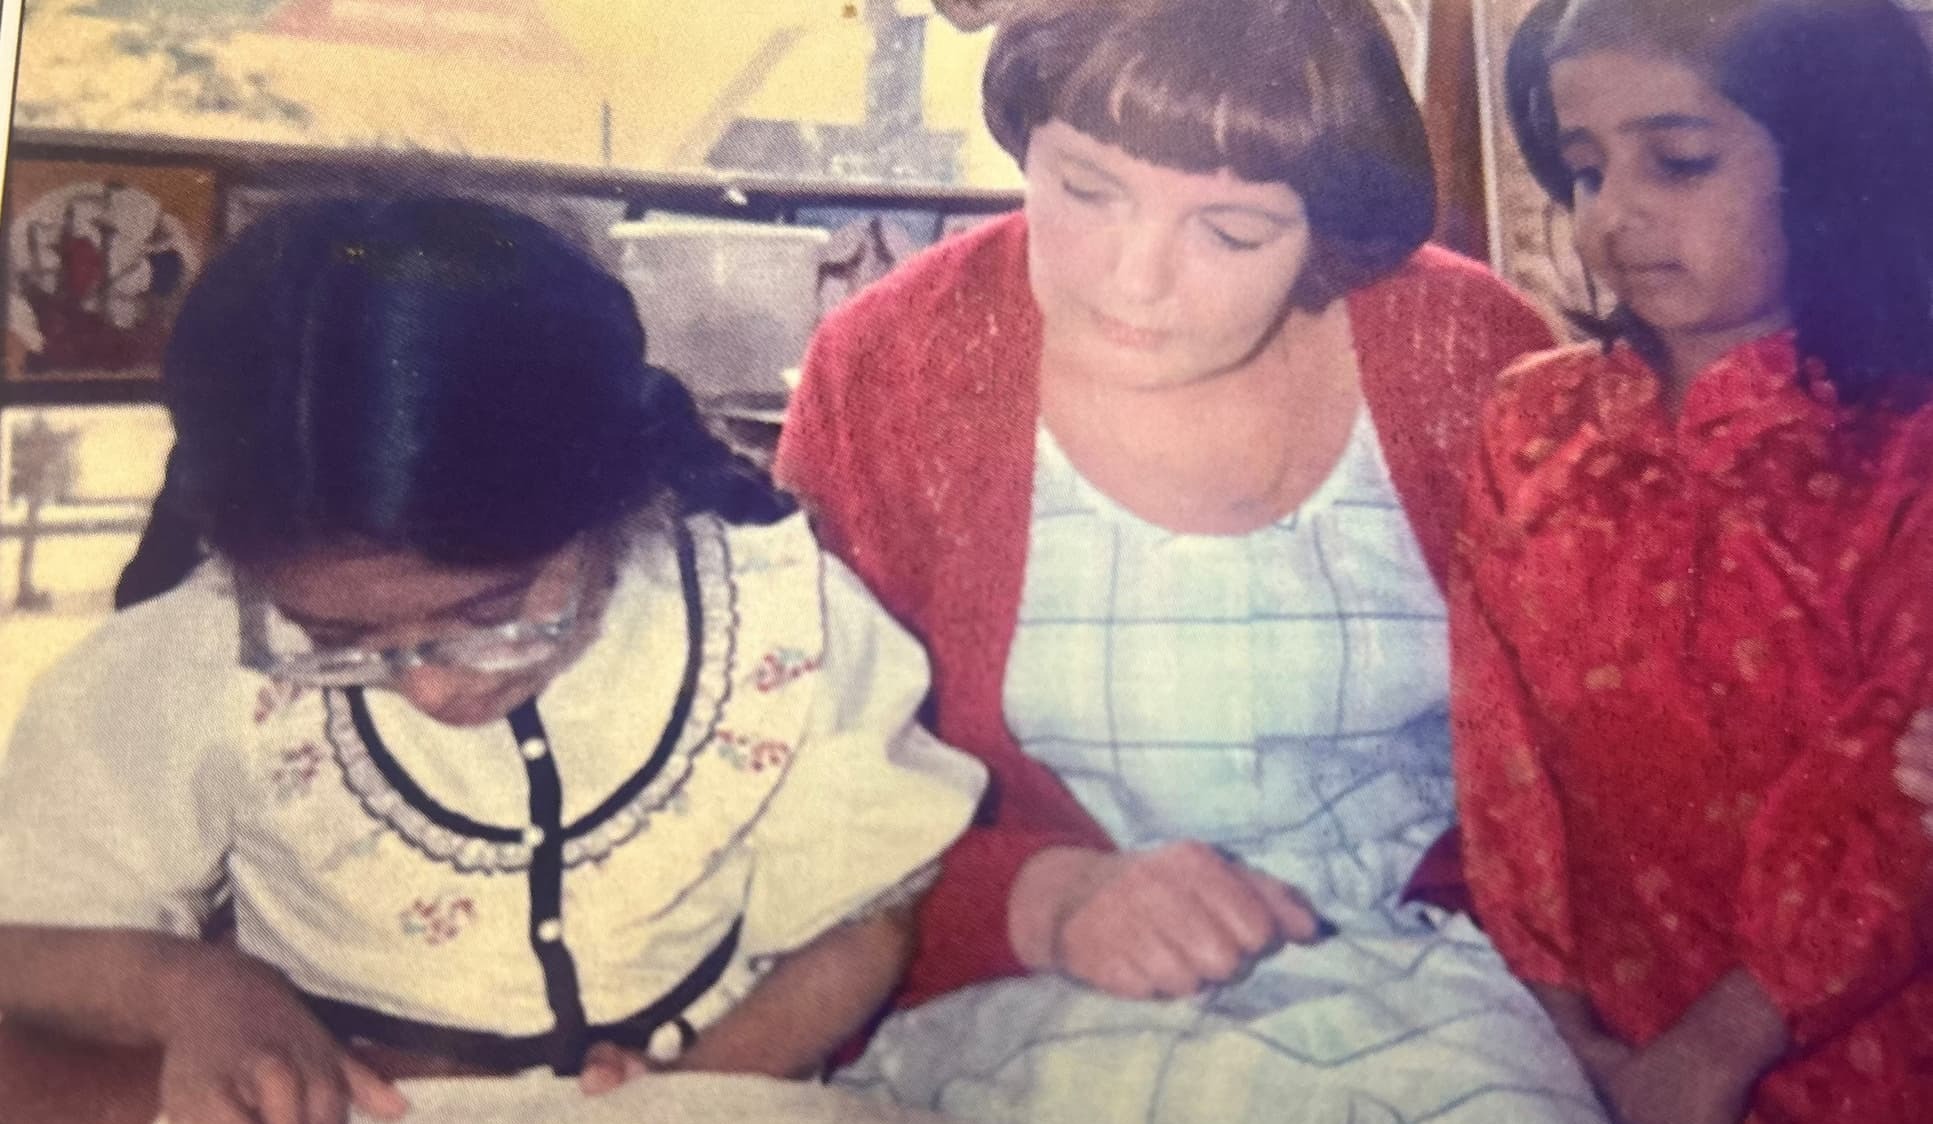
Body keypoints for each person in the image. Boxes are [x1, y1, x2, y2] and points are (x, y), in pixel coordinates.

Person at [778, 0, 1605, 1119]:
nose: (1133, 278)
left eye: (1229, 232)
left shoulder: (1471, 354)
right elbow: (795, 787)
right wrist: (1036, 894)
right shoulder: (889, 367)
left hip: (1457, 995)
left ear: (1329, 227)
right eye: (1084, 189)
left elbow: (1604, 746)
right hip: (1023, 1005)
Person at [0, 197, 985, 1124]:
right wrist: (193, 985)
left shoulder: (777, 619)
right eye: (338, 642)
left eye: (495, 610)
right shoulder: (204, 648)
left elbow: (858, 924)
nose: (435, 686)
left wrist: (683, 1091)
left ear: (606, 492)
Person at [1452, 1, 1933, 1120]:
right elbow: (1498, 748)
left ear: (1824, 163)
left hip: (1864, 1046)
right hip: (1586, 1032)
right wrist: (1556, 1029)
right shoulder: (1532, 424)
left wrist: (1717, 1047)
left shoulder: (1904, 452)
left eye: (1677, 161)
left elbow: (1899, 799)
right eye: (1582, 171)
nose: (1612, 214)